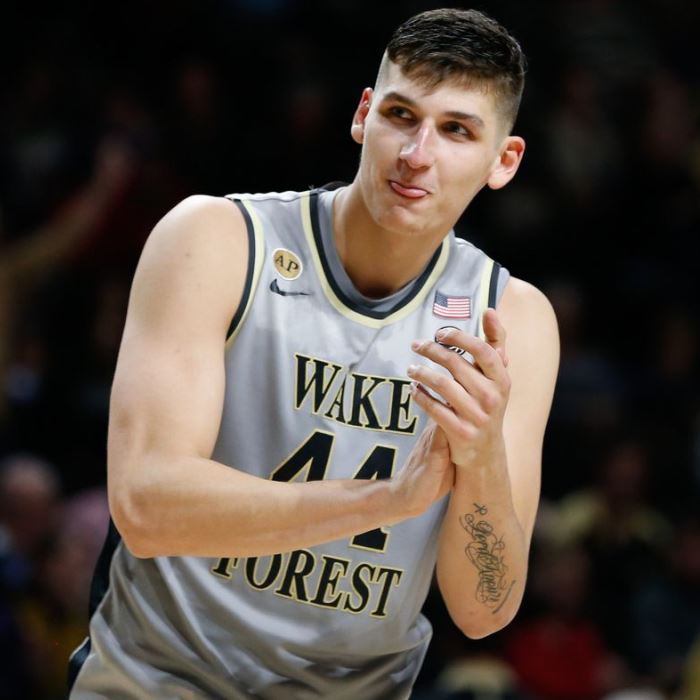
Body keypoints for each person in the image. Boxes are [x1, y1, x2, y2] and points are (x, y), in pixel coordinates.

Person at [68, 8, 559, 699]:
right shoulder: (217, 240)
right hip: (158, 681)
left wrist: (480, 461)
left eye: (456, 130)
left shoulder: (511, 319)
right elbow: (146, 508)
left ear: (503, 160)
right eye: (401, 115)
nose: (416, 154)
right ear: (363, 115)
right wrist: (385, 501)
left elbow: (484, 610)